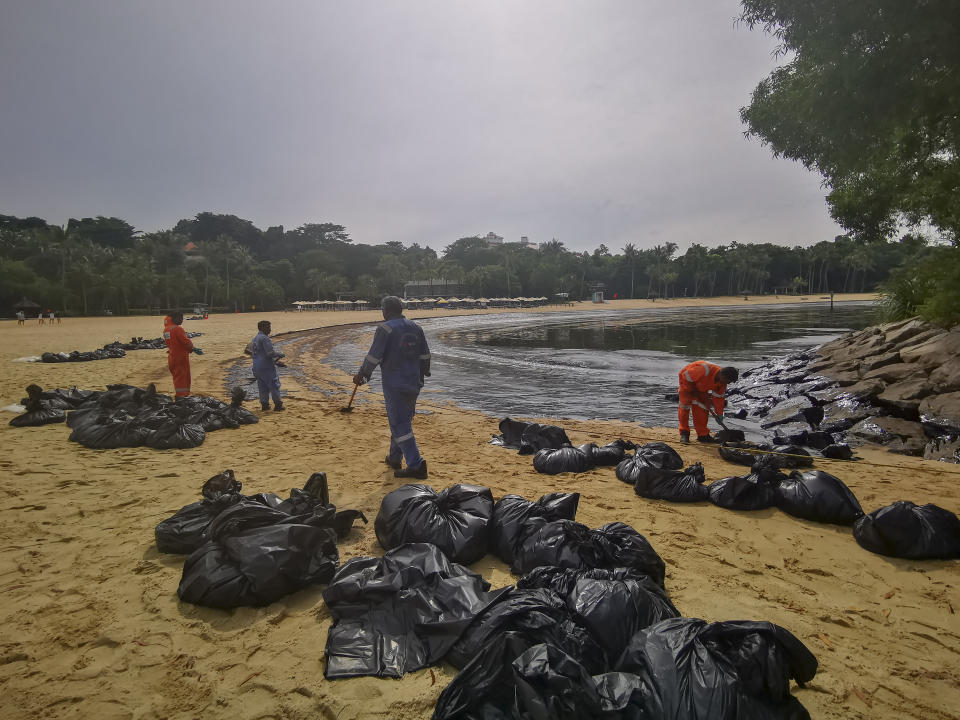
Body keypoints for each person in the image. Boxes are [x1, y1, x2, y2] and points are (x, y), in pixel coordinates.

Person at [353, 295, 431, 479]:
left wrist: (362, 374)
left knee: (399, 424)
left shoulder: (385, 329)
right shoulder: (416, 327)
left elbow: (374, 356)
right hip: (414, 382)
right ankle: (395, 458)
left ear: (386, 310)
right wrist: (423, 373)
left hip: (395, 384)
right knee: (403, 421)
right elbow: (425, 356)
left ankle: (416, 464)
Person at [677, 361, 739, 443]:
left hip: (702, 389)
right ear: (723, 376)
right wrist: (691, 389)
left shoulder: (722, 382)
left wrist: (719, 414)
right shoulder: (703, 370)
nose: (727, 383)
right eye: (728, 381)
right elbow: (685, 376)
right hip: (687, 384)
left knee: (703, 409)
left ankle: (702, 435)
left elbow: (719, 397)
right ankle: (684, 433)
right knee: (684, 407)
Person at [246, 320, 285, 411]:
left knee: (262, 386)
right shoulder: (265, 338)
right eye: (268, 327)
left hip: (256, 367)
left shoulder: (255, 338)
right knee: (274, 385)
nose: (270, 330)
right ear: (262, 328)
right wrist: (279, 354)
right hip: (266, 367)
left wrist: (275, 362)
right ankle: (278, 405)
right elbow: (270, 353)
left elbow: (248, 351)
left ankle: (264, 405)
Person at [162, 312, 203, 398]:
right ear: (174, 318)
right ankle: (182, 397)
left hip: (172, 357)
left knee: (177, 377)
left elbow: (171, 343)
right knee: (183, 377)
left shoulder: (166, 330)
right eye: (180, 318)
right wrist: (193, 348)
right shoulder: (177, 329)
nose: (182, 320)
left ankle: (180, 395)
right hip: (180, 358)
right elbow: (186, 342)